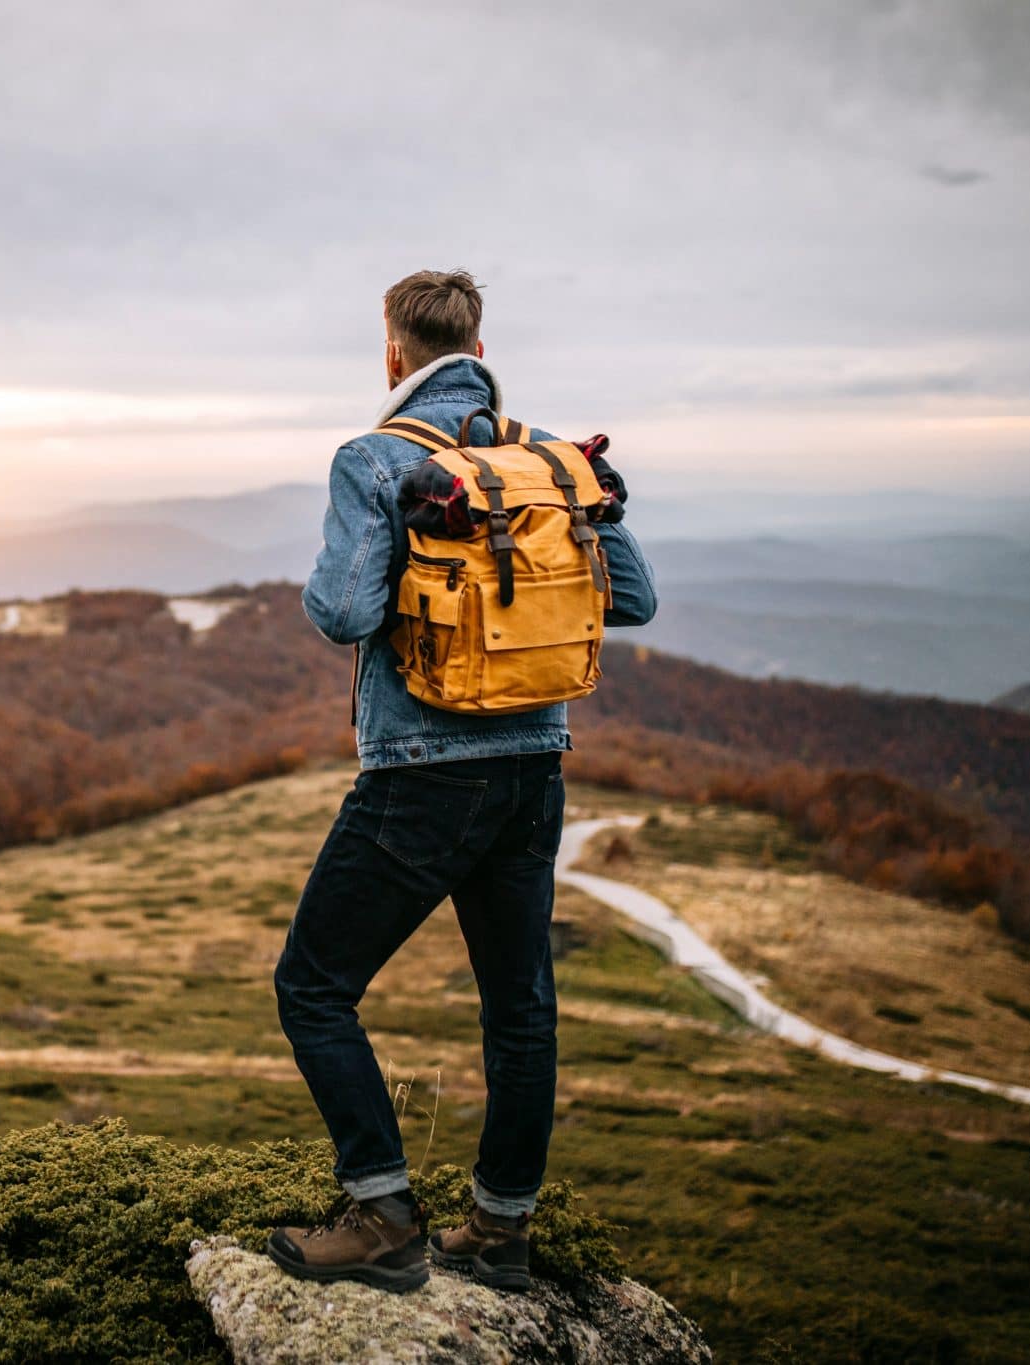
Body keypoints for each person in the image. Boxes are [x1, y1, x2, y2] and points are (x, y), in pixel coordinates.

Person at [267, 269, 658, 1294]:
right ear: (478, 353)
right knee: (518, 1006)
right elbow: (637, 600)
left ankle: (384, 1215)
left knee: (312, 988)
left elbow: (342, 613)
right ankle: (499, 1231)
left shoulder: (376, 458)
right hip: (536, 769)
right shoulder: (554, 462)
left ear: (392, 354)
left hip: (421, 776)